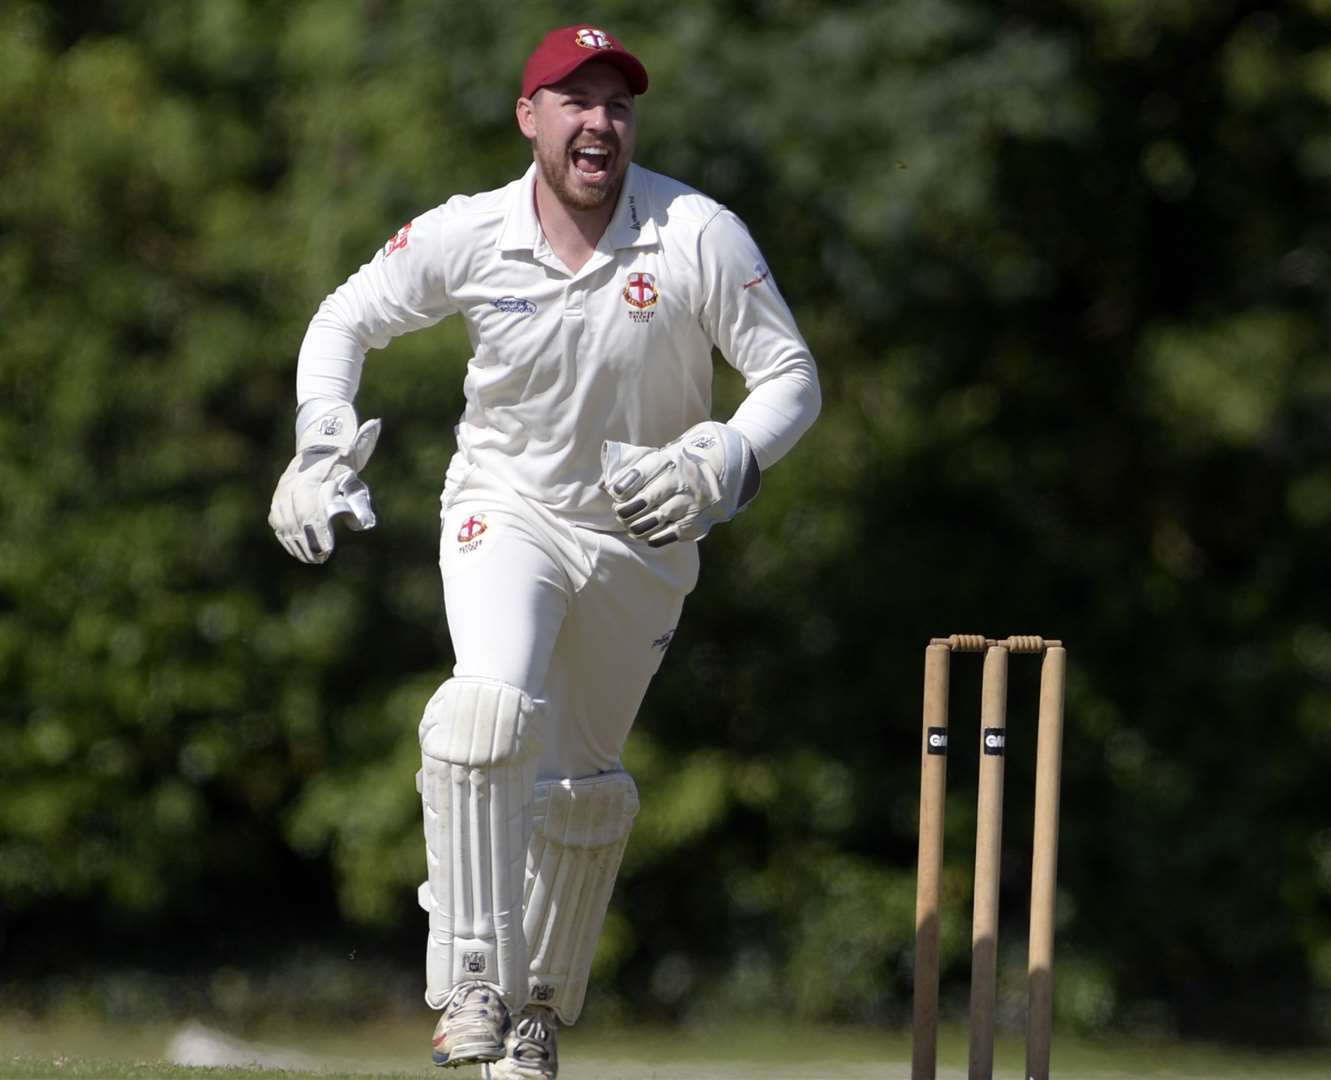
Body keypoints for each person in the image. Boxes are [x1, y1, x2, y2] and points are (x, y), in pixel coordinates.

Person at [268, 24, 820, 1078]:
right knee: (484, 713)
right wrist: (319, 443)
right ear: (529, 119)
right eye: (574, 100)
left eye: (615, 102)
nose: (598, 121)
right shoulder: (471, 232)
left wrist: (723, 456)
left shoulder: (695, 232)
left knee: (580, 793)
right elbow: (344, 319)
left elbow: (790, 376)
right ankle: (472, 982)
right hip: (505, 508)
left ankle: (535, 1021)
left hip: (642, 535)